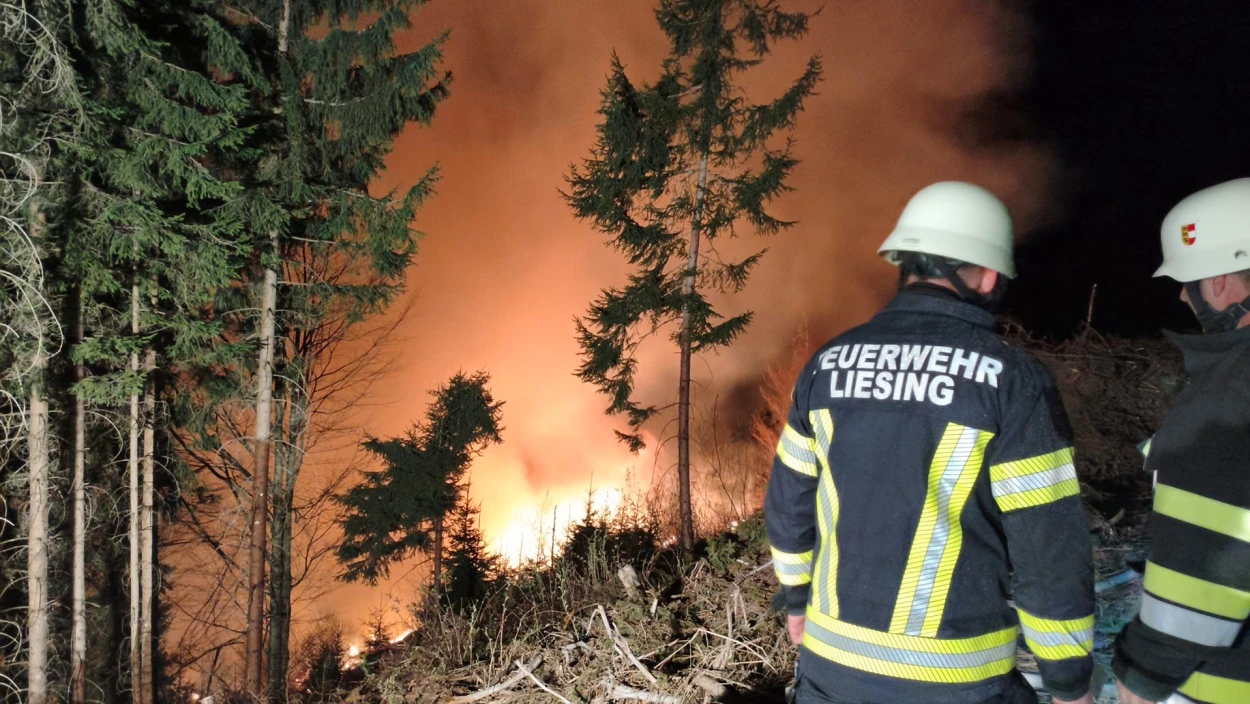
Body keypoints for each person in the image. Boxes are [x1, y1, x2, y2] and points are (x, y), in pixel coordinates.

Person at [765, 181, 1096, 704]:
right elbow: (1048, 548)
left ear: (905, 263)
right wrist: (1068, 680)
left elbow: (788, 506)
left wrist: (797, 601)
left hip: (831, 667)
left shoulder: (826, 365)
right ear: (988, 275)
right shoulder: (1012, 379)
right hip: (956, 680)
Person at [1113, 178, 1250, 704]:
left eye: (1187, 279)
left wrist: (1142, 677)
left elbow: (1204, 566)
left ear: (1218, 283)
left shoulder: (1230, 393)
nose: (1180, 293)